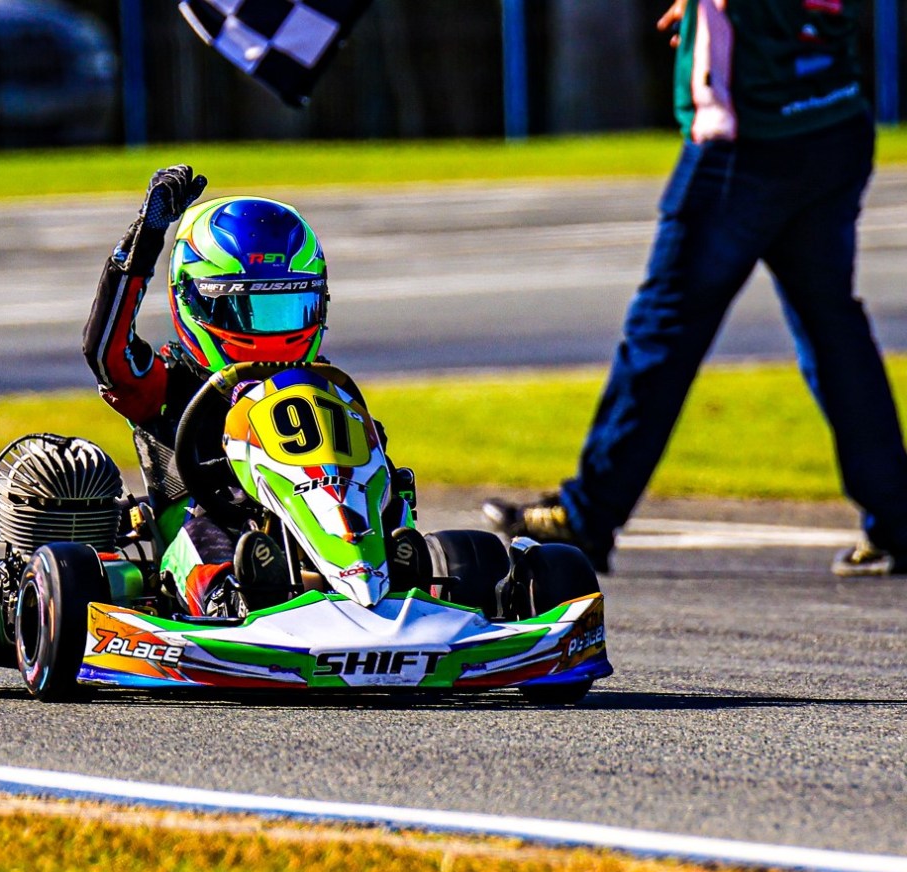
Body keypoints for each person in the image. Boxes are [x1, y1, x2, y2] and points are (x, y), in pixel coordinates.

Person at [484, 0, 907, 576]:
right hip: (830, 117)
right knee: (833, 330)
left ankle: (589, 513)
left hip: (751, 137)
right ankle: (897, 516)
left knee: (663, 331)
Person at [84, 165, 420, 617]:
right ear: (195, 300)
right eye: (247, 310)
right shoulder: (170, 380)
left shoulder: (325, 385)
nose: (270, 330)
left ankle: (409, 580)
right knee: (207, 536)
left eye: (287, 307)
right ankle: (231, 600)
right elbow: (105, 351)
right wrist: (146, 238)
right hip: (209, 523)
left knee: (395, 505)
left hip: (326, 523)